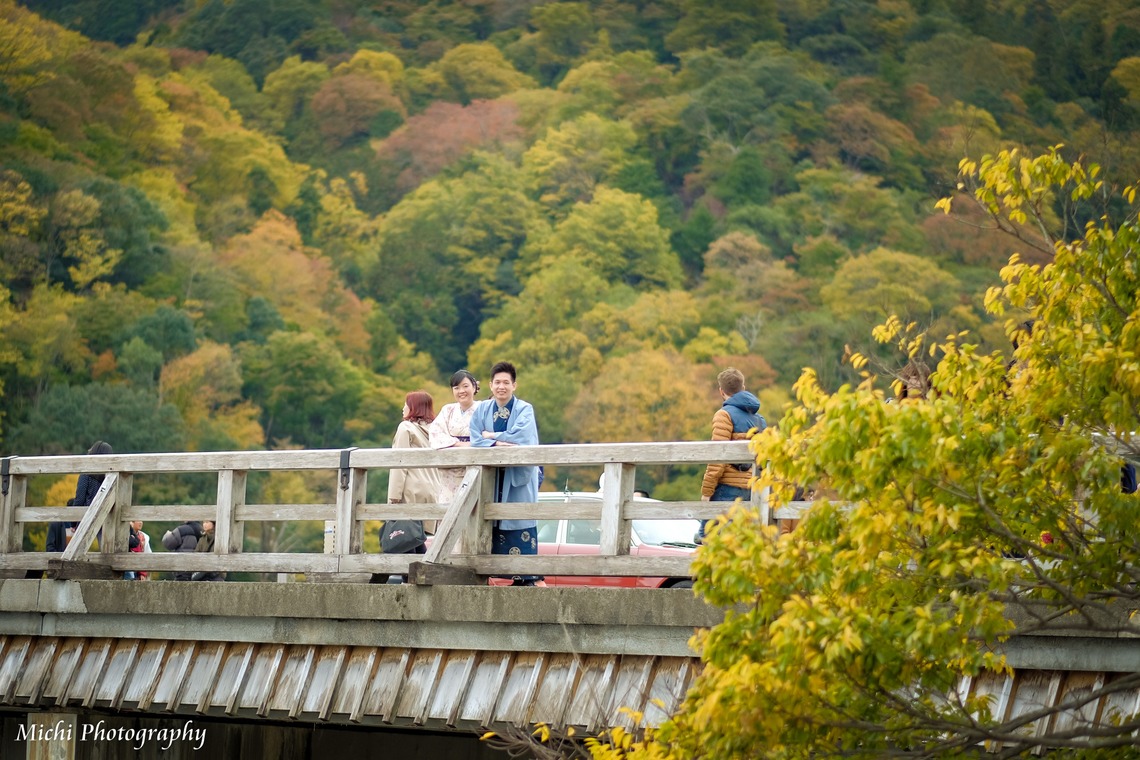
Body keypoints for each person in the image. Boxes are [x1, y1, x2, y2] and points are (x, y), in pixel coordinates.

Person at [470, 361, 545, 586]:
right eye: (497, 382)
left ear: (514, 385)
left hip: (518, 475)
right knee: (491, 521)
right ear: (490, 386)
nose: (501, 386)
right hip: (492, 478)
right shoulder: (482, 409)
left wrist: (491, 436)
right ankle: (493, 573)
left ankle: (528, 576)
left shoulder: (524, 408)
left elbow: (521, 437)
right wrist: (498, 441)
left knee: (518, 520)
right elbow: (475, 438)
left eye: (506, 382)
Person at [375, 391, 442, 584]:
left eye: (406, 404)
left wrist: (394, 497)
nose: (403, 408)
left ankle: (413, 581)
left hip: (411, 488)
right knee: (414, 537)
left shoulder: (405, 428)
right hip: (430, 489)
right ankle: (423, 577)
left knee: (405, 535)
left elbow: (399, 463)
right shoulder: (435, 429)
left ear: (413, 407)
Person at [699, 368, 766, 542]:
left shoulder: (724, 415)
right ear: (743, 387)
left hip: (727, 487)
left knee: (707, 538)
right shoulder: (760, 419)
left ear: (721, 391)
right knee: (742, 541)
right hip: (752, 489)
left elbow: (718, 458)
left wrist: (707, 492)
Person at [47, 441, 117, 554]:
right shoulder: (112, 476)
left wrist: (74, 522)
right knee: (107, 553)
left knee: (76, 552)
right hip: (107, 517)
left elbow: (79, 499)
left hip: (87, 517)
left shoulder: (87, 474)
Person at [429, 370, 481, 503]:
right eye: (456, 388)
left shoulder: (483, 409)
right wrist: (458, 444)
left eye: (465, 386)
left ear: (474, 387)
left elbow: (489, 435)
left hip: (474, 467)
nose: (461, 391)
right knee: (447, 511)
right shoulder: (448, 410)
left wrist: (473, 443)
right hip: (449, 471)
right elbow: (435, 433)